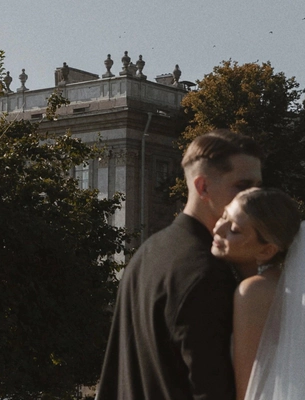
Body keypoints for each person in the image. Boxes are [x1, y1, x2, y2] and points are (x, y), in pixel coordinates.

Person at [97, 129, 263, 400]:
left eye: (258, 188)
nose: (253, 199)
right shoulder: (206, 273)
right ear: (203, 187)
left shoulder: (146, 254)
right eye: (243, 186)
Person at [212, 187, 305, 400]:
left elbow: (247, 389)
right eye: (223, 216)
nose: (219, 228)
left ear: (266, 250)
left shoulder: (254, 291)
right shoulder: (290, 289)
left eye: (235, 230)